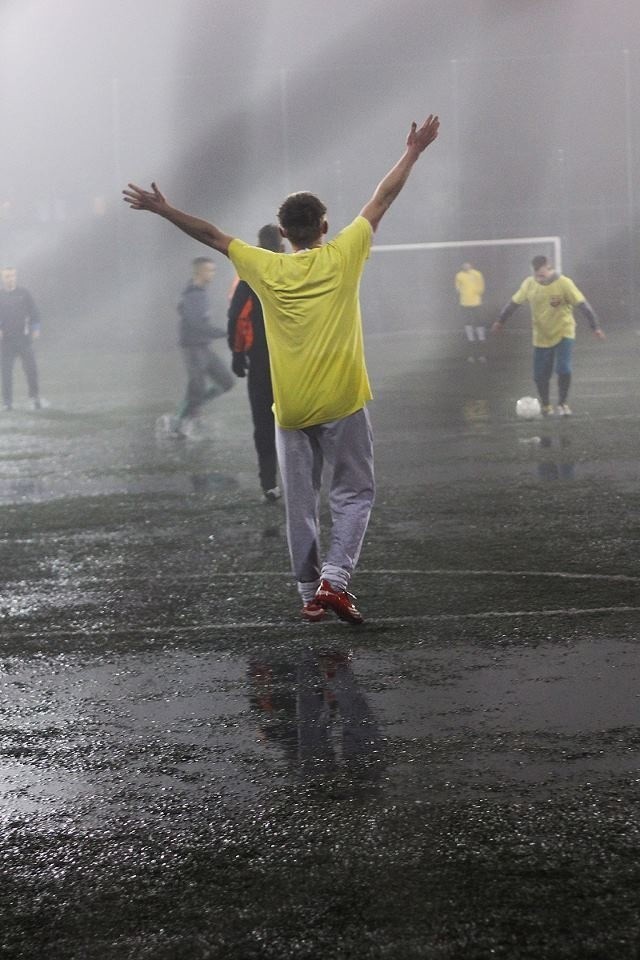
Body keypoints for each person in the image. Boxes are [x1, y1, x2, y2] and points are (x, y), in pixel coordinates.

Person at [123, 112, 440, 623]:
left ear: (284, 234)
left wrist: (163, 209)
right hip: (342, 400)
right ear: (322, 227)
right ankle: (334, 582)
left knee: (300, 502)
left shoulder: (264, 266)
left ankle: (306, 592)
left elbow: (210, 234)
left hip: (290, 408)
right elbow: (382, 199)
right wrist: (414, 151)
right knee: (354, 492)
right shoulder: (344, 255)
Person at [492, 255, 605, 416]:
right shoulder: (529, 284)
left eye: (542, 275)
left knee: (563, 368)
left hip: (564, 331)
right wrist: (500, 321)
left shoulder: (564, 283)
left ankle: (562, 403)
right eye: (536, 275)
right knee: (539, 376)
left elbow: (582, 304)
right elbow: (513, 304)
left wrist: (595, 327)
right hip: (541, 336)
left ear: (549, 268)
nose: (539, 278)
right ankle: (545, 405)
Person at [227, 224, 284, 503]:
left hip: (261, 360)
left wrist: (237, 354)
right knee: (299, 421)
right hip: (293, 360)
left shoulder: (249, 275)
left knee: (263, 422)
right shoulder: (293, 268)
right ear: (282, 245)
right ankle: (304, 478)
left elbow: (237, 315)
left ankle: (269, 482)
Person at [164, 256, 234, 438]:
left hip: (203, 346)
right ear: (200, 271)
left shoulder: (199, 292)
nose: (213, 274)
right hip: (193, 347)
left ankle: (194, 409)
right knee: (197, 387)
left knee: (226, 381)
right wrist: (223, 332)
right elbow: (195, 323)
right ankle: (177, 423)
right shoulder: (193, 295)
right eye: (210, 270)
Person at [0, 267, 43, 411]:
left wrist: (35, 328)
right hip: (6, 341)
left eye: (12, 276)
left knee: (31, 369)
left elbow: (34, 312)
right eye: (6, 276)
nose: (10, 279)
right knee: (6, 372)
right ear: (2, 278)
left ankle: (34, 398)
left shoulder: (24, 294)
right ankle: (7, 402)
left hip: (24, 339)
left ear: (15, 276)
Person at [455, 261, 486, 362]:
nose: (466, 266)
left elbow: (481, 286)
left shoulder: (477, 274)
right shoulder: (459, 275)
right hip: (464, 303)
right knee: (467, 321)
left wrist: (477, 293)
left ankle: (481, 336)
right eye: (464, 265)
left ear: (471, 265)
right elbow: (457, 287)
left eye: (468, 264)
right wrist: (462, 292)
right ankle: (470, 337)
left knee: (478, 320)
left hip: (476, 302)